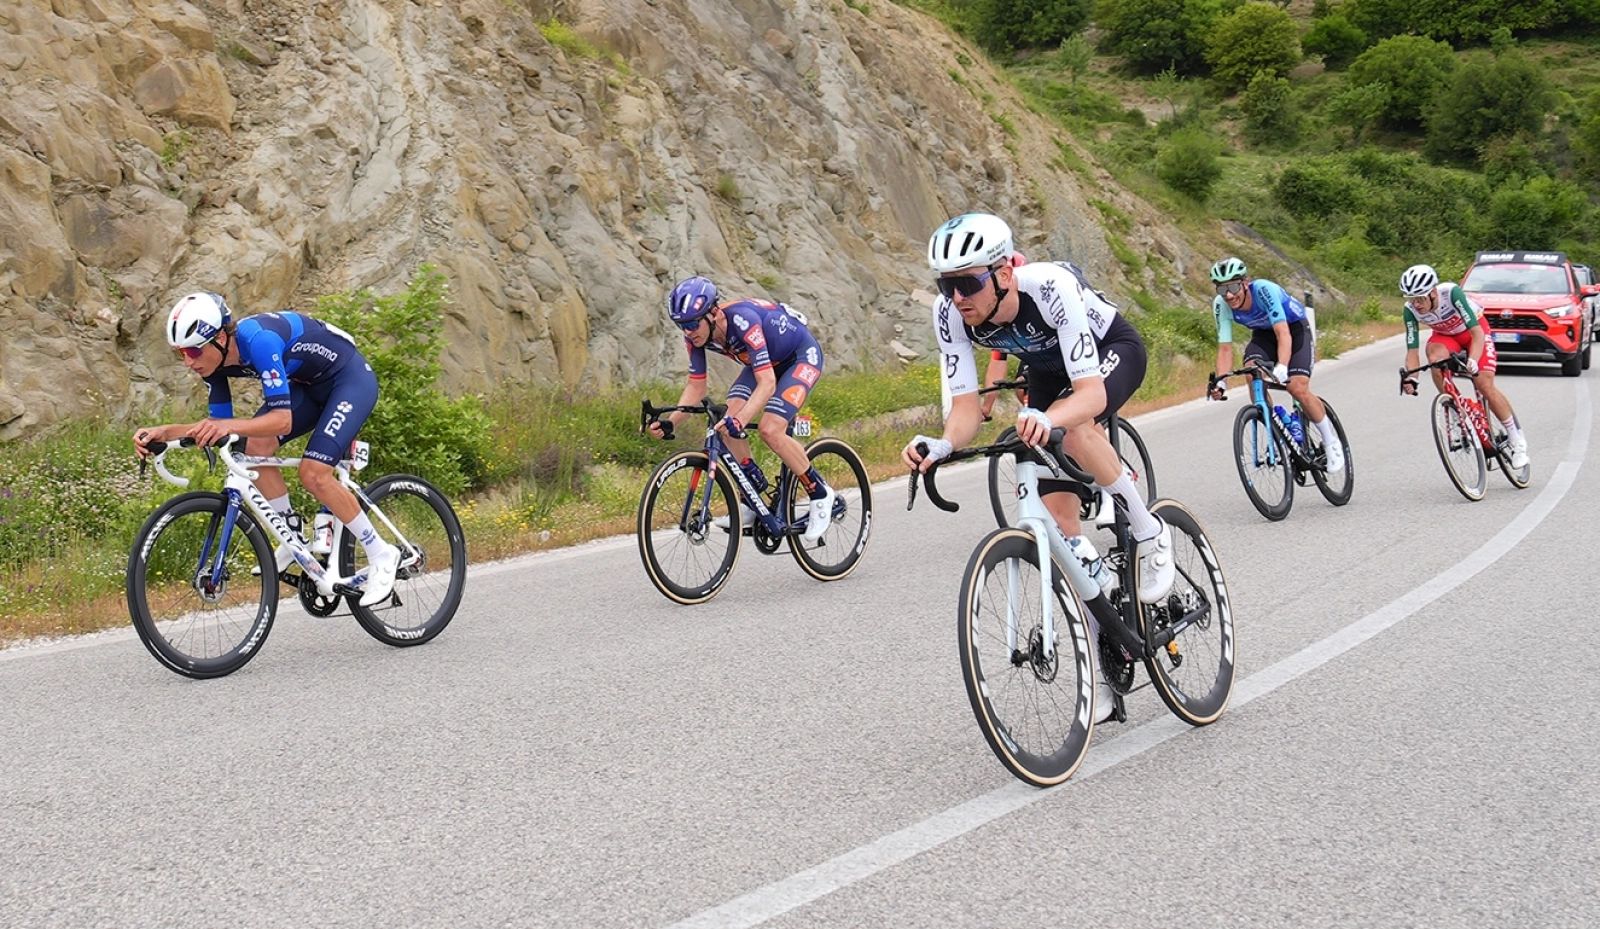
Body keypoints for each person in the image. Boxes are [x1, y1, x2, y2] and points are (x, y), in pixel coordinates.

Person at [902, 212, 1175, 606]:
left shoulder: (1049, 287)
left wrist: (1049, 417)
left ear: (1005, 275)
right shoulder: (949, 314)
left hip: (1109, 350)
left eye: (967, 283)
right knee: (1061, 522)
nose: (957, 297)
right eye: (946, 285)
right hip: (1046, 369)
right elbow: (965, 409)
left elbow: (1091, 396)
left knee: (1077, 429)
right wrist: (943, 444)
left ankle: (1150, 530)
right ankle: (1106, 621)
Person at [132, 292, 399, 607]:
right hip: (308, 387)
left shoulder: (259, 341)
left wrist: (227, 427)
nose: (189, 362)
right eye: (181, 354)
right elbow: (218, 427)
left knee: (313, 474)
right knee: (254, 447)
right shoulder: (212, 365)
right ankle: (292, 532)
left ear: (219, 338)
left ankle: (382, 552)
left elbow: (282, 421)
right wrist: (164, 434)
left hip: (349, 381)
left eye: (193, 351)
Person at [648, 276, 835, 543]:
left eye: (692, 324)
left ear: (713, 313)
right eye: (682, 326)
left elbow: (768, 383)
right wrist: (672, 422)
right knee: (725, 423)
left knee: (770, 429)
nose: (688, 332)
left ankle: (820, 494)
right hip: (764, 362)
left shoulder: (744, 321)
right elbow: (696, 387)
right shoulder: (696, 337)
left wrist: (744, 418)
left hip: (800, 357)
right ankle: (752, 493)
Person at [1205, 257, 1344, 473]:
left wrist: (1282, 365)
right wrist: (1221, 382)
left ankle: (1330, 441)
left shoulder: (1264, 290)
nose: (1229, 295)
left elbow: (1283, 333)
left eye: (1233, 287)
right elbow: (1225, 348)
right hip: (1263, 336)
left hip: (1294, 330)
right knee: (1252, 374)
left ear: (1245, 282)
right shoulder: (1221, 305)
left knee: (1296, 387)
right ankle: (1275, 431)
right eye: (1222, 290)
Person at [1397, 263, 1530, 469]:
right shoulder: (1410, 311)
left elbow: (1477, 333)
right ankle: (1455, 406)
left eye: (1420, 298)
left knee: (1484, 384)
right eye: (1411, 299)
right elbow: (1412, 351)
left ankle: (1516, 439)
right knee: (1434, 359)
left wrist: (1473, 361)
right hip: (1445, 337)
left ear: (1433, 292)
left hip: (1473, 333)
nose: (1416, 305)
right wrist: (1412, 378)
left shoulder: (1451, 294)